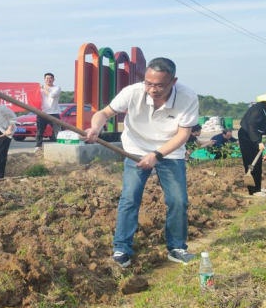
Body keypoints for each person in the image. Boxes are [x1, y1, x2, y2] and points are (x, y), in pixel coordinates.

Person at [83, 57, 199, 268]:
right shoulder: (133, 92)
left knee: (178, 201)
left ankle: (177, 247)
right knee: (129, 199)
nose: (152, 89)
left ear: (173, 81)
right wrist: (95, 128)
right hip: (135, 150)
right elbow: (104, 113)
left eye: (159, 85)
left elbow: (183, 135)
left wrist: (157, 154)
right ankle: (122, 248)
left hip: (169, 152)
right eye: (148, 83)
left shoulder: (187, 96)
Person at [35, 72, 61, 153]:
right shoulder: (39, 88)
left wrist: (43, 88)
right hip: (42, 113)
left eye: (50, 78)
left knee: (58, 130)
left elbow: (51, 95)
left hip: (54, 113)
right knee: (39, 131)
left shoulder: (57, 88)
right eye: (47, 78)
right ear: (44, 79)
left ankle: (61, 145)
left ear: (53, 79)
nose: (49, 80)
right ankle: (38, 146)